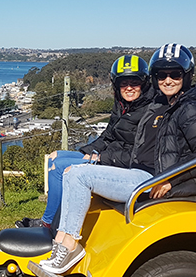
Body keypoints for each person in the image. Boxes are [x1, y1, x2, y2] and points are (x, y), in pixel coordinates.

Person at [40, 43, 196, 274]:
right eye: (161, 75)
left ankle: (69, 246)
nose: (167, 80)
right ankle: (60, 244)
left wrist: (171, 180)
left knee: (78, 174)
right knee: (69, 172)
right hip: (138, 172)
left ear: (186, 76)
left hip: (150, 178)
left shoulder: (189, 109)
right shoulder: (161, 104)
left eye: (174, 74)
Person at [16, 55, 154, 229]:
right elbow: (108, 135)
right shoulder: (122, 105)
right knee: (55, 157)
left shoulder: (149, 111)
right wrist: (85, 152)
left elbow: (137, 153)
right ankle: (52, 219)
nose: (128, 88)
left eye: (134, 83)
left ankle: (47, 223)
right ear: (116, 84)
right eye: (123, 83)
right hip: (111, 157)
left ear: (144, 83)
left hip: (123, 165)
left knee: (60, 167)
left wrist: (98, 158)